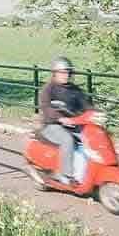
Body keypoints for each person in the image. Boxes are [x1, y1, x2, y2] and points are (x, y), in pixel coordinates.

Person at [38, 56, 89, 184]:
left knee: (91, 139)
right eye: (63, 72)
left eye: (68, 72)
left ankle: (87, 173)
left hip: (72, 125)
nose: (66, 75)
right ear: (55, 73)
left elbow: (86, 105)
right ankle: (66, 175)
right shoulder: (48, 89)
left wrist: (96, 114)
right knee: (68, 139)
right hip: (51, 126)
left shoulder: (74, 90)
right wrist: (61, 118)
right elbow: (47, 108)